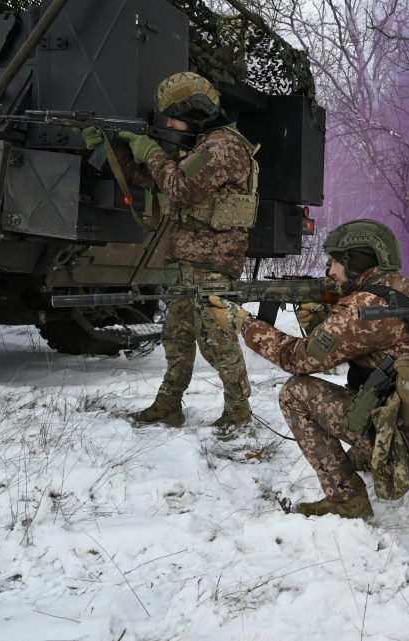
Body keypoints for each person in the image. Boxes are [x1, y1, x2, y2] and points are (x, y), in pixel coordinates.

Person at [207, 219, 409, 519]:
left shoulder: (363, 306)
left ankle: (347, 500)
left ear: (356, 261)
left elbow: (295, 359)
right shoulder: (408, 287)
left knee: (295, 393)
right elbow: (365, 351)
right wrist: (321, 323)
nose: (330, 271)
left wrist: (243, 324)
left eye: (335, 262)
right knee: (357, 453)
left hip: (408, 438)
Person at [79, 71, 259, 439]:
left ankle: (239, 414)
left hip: (212, 263)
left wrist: (151, 150)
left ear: (197, 112)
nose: (171, 124)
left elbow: (178, 189)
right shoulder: (204, 143)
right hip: (189, 260)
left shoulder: (223, 147)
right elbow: (154, 179)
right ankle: (168, 405)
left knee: (217, 341)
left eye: (175, 117)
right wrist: (107, 149)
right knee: (176, 336)